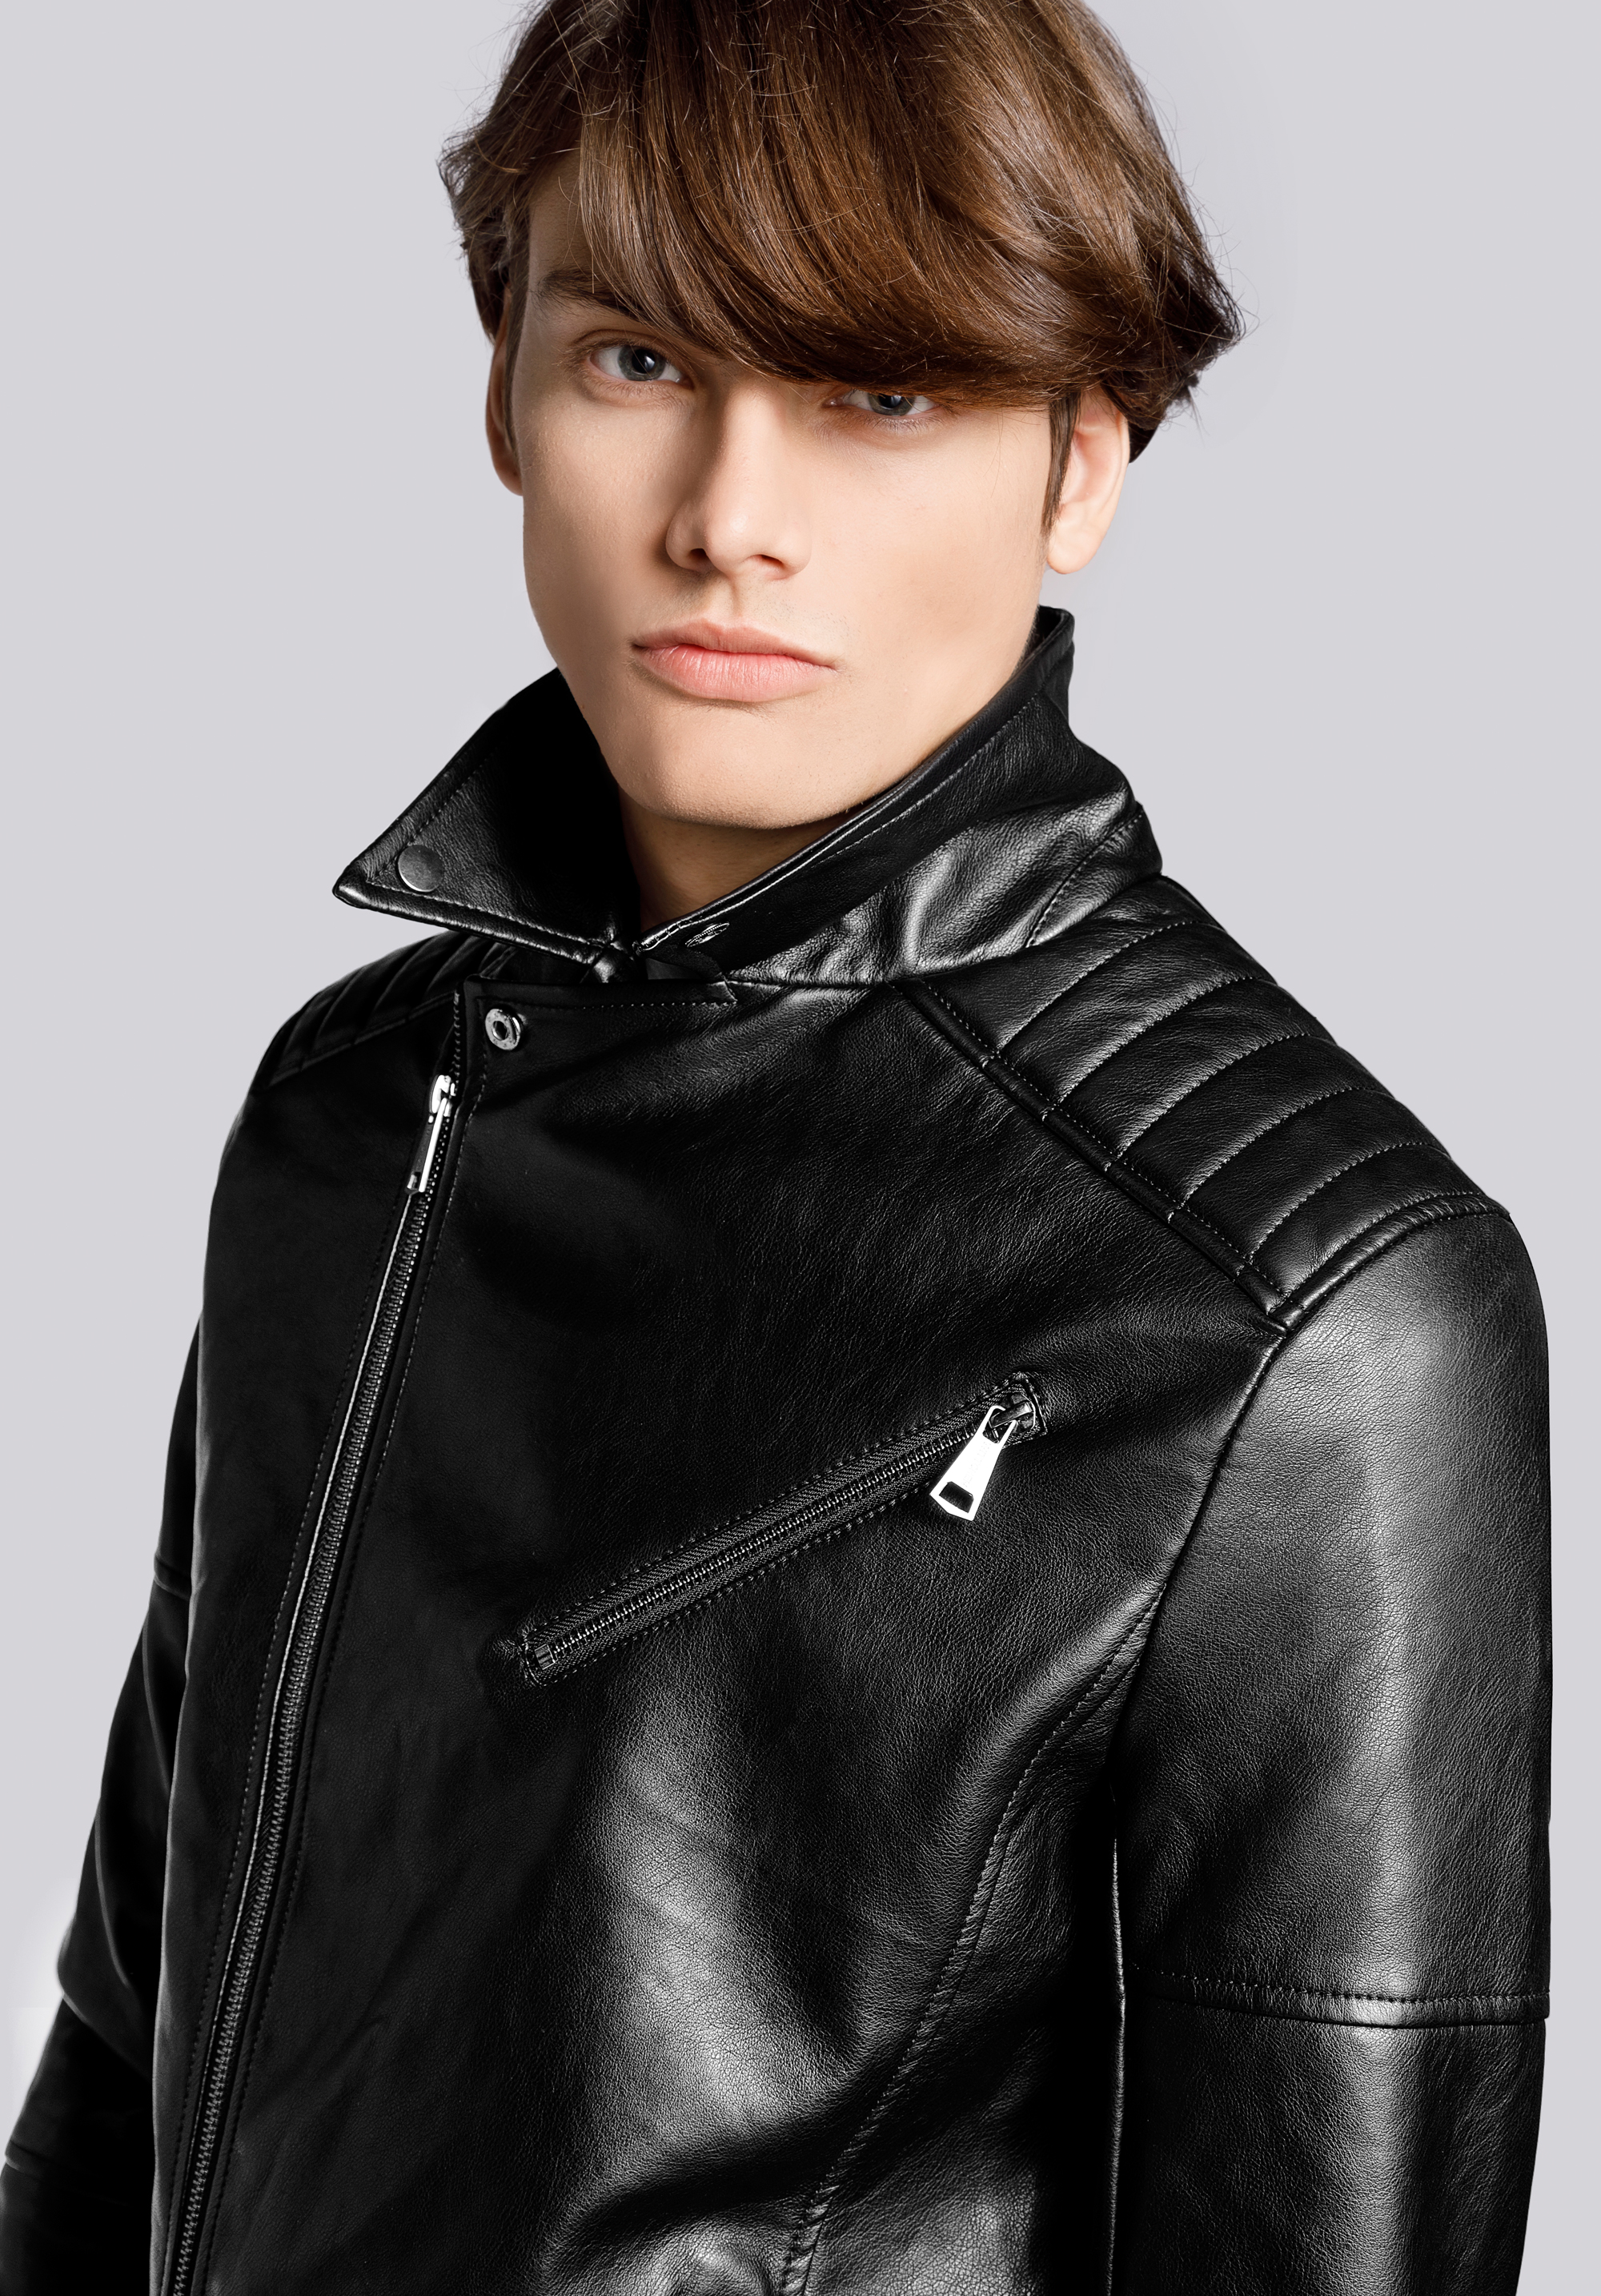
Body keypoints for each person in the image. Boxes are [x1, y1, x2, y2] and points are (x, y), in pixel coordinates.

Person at [0, 0, 1551, 2289]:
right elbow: (132, 2045)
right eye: (637, 360)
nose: (731, 520)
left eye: (879, 393)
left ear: (1082, 458)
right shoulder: (349, 1117)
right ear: (506, 396)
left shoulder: (1306, 1309)